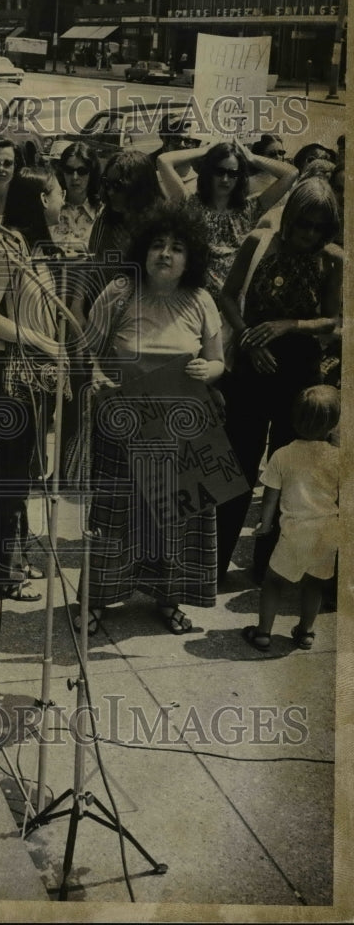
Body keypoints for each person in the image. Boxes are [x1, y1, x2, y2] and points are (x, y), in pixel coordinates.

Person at [76, 201, 223, 635]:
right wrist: (98, 372)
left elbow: (219, 363)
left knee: (175, 516)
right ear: (143, 250)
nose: (166, 253)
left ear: (190, 257)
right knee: (113, 515)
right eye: (158, 244)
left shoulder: (201, 299)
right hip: (124, 422)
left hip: (183, 425)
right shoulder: (119, 292)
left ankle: (168, 598)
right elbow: (89, 350)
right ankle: (97, 599)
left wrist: (207, 370)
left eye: (177, 247)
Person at [216, 179, 343, 581]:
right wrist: (250, 339)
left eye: (318, 228)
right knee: (238, 467)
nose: (308, 234)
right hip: (253, 365)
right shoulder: (258, 242)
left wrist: (289, 325)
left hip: (297, 370)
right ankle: (214, 564)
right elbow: (227, 294)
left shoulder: (332, 259)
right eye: (303, 224)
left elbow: (334, 319)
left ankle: (268, 566)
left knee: (287, 472)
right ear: (289, 217)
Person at [0, 167, 67, 599]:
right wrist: (40, 339)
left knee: (20, 475)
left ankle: (12, 560)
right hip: (12, 380)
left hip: (34, 378)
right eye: (59, 191)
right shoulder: (6, 247)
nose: (64, 199)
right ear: (43, 199)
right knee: (9, 478)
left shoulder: (32, 248)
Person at [242, 386, 339, 653]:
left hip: (295, 531)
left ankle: (263, 634)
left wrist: (265, 524)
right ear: (333, 424)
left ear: (294, 420)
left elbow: (270, 497)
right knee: (315, 583)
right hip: (328, 531)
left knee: (273, 582)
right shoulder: (339, 457)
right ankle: (305, 632)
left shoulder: (282, 455)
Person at [157, 138, 297, 303]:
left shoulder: (249, 209)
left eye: (232, 173)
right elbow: (163, 160)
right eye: (219, 171)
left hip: (233, 304)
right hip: (195, 301)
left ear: (240, 177)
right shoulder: (191, 205)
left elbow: (291, 173)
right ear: (209, 172)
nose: (225, 179)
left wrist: (251, 157)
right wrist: (206, 150)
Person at [70, 149, 162, 324]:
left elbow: (160, 283)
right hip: (96, 310)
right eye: (107, 184)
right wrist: (76, 307)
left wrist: (132, 255)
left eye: (118, 186)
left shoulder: (158, 227)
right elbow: (89, 261)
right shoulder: (106, 217)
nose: (111, 192)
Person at [52, 142, 102, 254]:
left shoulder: (101, 212)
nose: (75, 177)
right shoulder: (51, 208)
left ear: (92, 173)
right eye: (69, 171)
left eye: (82, 171)